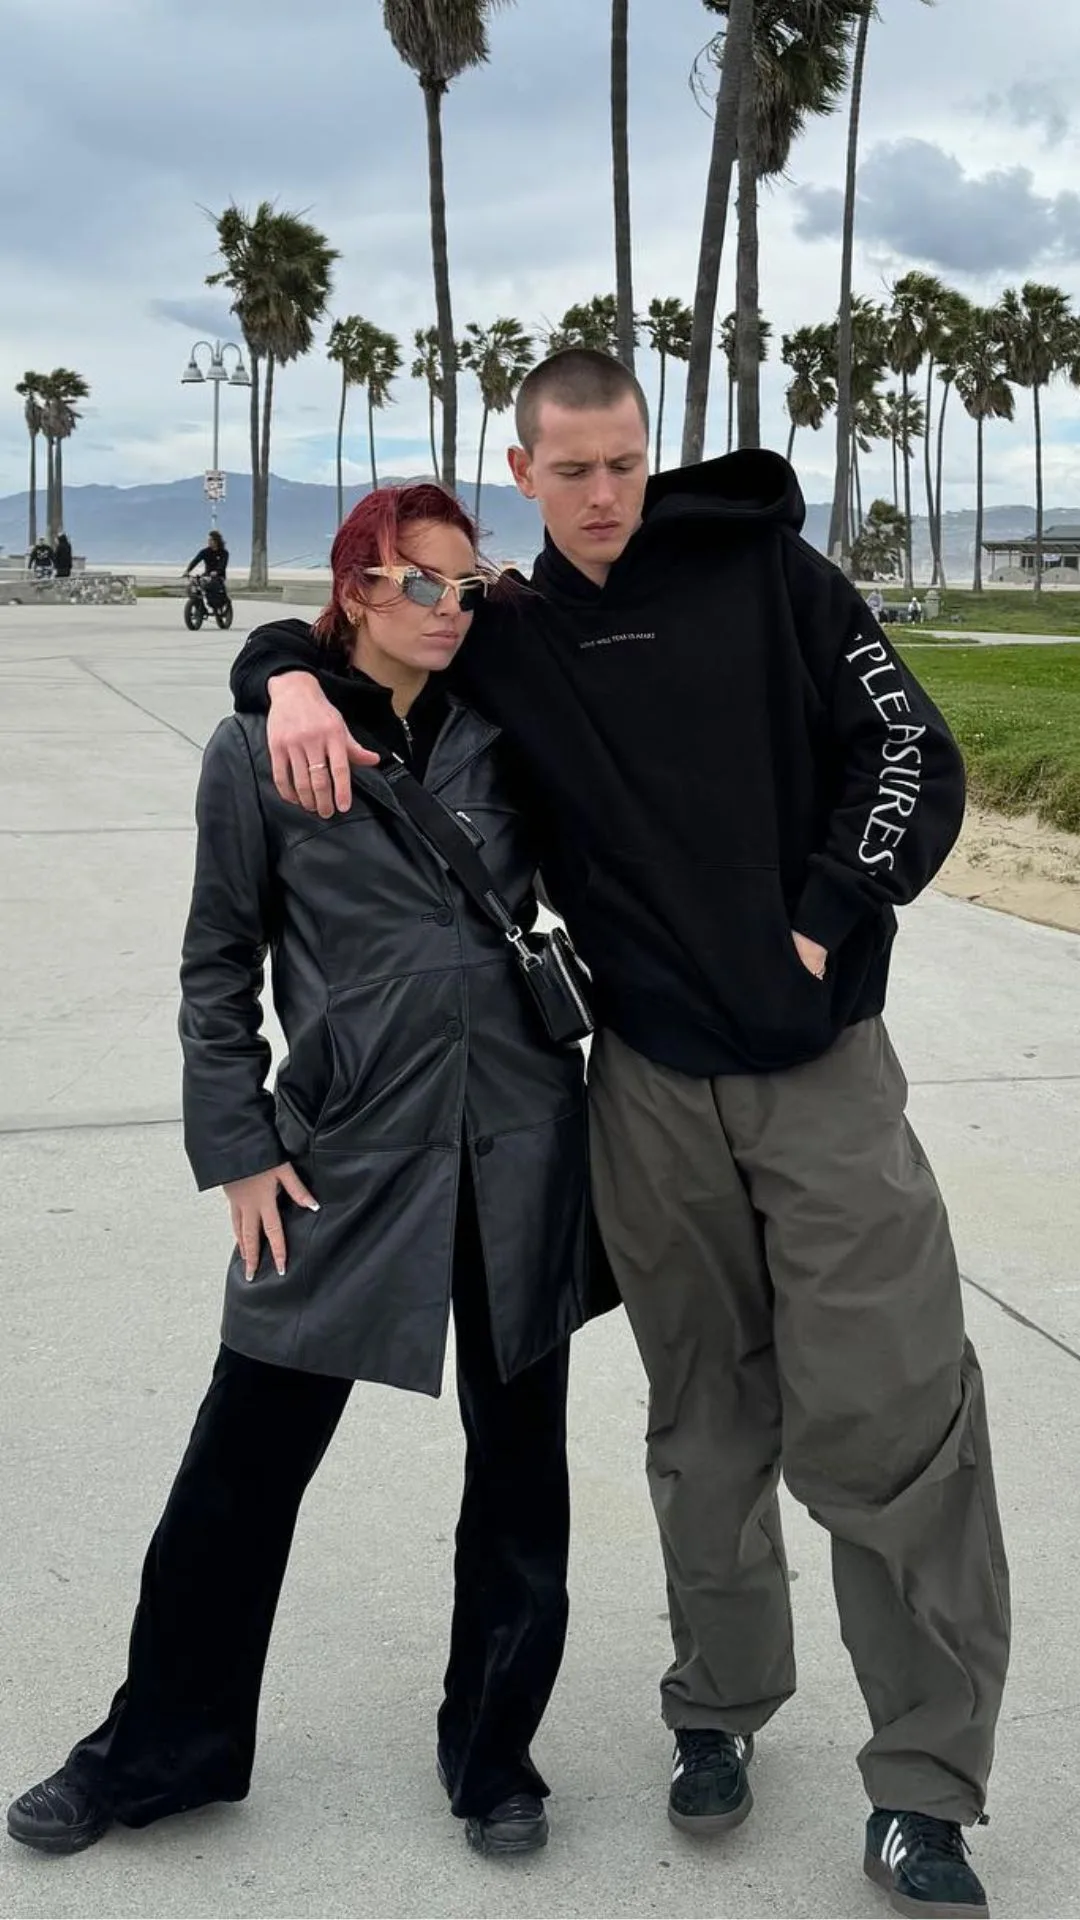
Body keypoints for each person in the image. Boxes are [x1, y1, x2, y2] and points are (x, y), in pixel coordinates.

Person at [229, 351, 1011, 1920]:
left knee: (896, 1425)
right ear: (523, 472)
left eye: (626, 463)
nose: (604, 496)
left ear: (652, 454)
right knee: (702, 1426)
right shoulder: (507, 636)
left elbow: (913, 750)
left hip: (820, 1075)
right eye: (572, 469)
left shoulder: (766, 573)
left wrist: (821, 917)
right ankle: (717, 1714)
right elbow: (341, 641)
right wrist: (284, 680)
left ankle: (924, 1791)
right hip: (644, 1089)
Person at [7, 484, 605, 1864]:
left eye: (470, 585)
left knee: (522, 1481)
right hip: (344, 1156)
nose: (454, 610)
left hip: (518, 1150)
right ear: (356, 591)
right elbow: (218, 966)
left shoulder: (511, 732)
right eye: (425, 585)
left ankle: (494, 1753)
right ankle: (162, 1747)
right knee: (238, 1469)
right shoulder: (259, 752)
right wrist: (240, 1149)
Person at [184, 528, 229, 609]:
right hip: (207, 575)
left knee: (210, 588)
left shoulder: (224, 553)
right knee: (192, 586)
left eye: (211, 540)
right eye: (208, 540)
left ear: (216, 541)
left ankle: (215, 604)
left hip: (219, 576)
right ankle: (199, 607)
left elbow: (223, 564)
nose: (209, 541)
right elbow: (195, 561)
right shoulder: (205, 551)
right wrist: (187, 570)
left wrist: (217, 572)